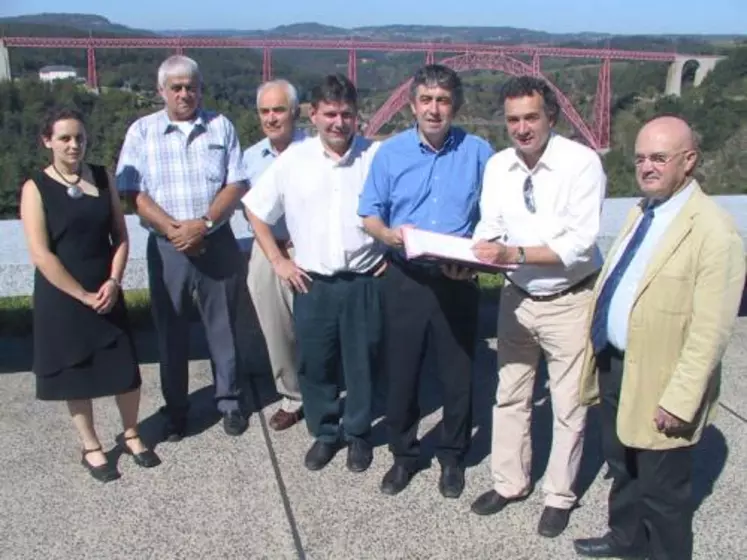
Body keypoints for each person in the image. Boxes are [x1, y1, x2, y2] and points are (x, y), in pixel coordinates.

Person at [573, 115, 745, 560]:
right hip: (617, 364)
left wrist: (680, 399)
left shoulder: (714, 231)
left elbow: (712, 330)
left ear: (688, 161)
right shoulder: (643, 211)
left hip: (663, 381)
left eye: (659, 158)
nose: (647, 167)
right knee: (622, 466)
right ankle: (625, 540)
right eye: (641, 158)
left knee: (663, 493)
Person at [469, 76, 606, 537]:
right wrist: (471, 255)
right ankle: (510, 483)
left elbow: (580, 243)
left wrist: (515, 255)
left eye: (531, 117)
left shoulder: (581, 163)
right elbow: (490, 227)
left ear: (552, 116)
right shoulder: (498, 166)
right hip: (517, 296)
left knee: (569, 404)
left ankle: (559, 495)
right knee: (510, 394)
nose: (522, 128)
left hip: (570, 298)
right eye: (513, 120)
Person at [358, 64, 494, 498]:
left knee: (458, 373)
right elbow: (369, 214)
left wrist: (477, 258)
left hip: (457, 277)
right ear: (412, 104)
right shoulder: (390, 153)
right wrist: (388, 235)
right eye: (426, 100)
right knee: (402, 373)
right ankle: (404, 455)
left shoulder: (478, 152)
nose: (434, 110)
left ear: (455, 105)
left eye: (443, 101)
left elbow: (494, 217)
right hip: (406, 276)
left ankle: (453, 457)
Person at [243, 74, 385, 472]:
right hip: (312, 283)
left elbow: (398, 209)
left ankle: (358, 433)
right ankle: (325, 432)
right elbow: (255, 209)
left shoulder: (374, 158)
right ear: (313, 115)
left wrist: (391, 249)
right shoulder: (293, 160)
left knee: (362, 363)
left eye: (347, 115)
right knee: (315, 364)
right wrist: (277, 261)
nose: (338, 123)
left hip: (362, 281)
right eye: (330, 114)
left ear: (357, 117)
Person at [20, 107, 160, 483]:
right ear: (47, 141)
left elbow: (121, 234)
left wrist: (114, 281)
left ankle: (131, 433)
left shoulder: (101, 176)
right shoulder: (36, 187)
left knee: (125, 369)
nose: (73, 145)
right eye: (64, 138)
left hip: (106, 288)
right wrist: (81, 295)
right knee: (75, 372)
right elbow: (40, 253)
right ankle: (91, 446)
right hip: (63, 296)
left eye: (79, 137)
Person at [116, 55, 250, 441]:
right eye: (175, 87)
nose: (184, 93)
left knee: (223, 327)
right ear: (161, 91)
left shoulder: (220, 126)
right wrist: (174, 230)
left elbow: (236, 182)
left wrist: (204, 225)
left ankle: (230, 402)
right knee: (169, 331)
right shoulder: (142, 132)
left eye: (190, 86)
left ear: (200, 88)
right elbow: (132, 191)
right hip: (167, 246)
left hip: (215, 240)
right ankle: (176, 409)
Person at [243, 79, 306, 431]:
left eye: (278, 109)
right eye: (265, 111)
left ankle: (326, 388)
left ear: (295, 112)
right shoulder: (250, 158)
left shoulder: (313, 150)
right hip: (268, 247)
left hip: (308, 245)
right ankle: (292, 395)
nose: (271, 117)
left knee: (315, 324)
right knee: (275, 325)